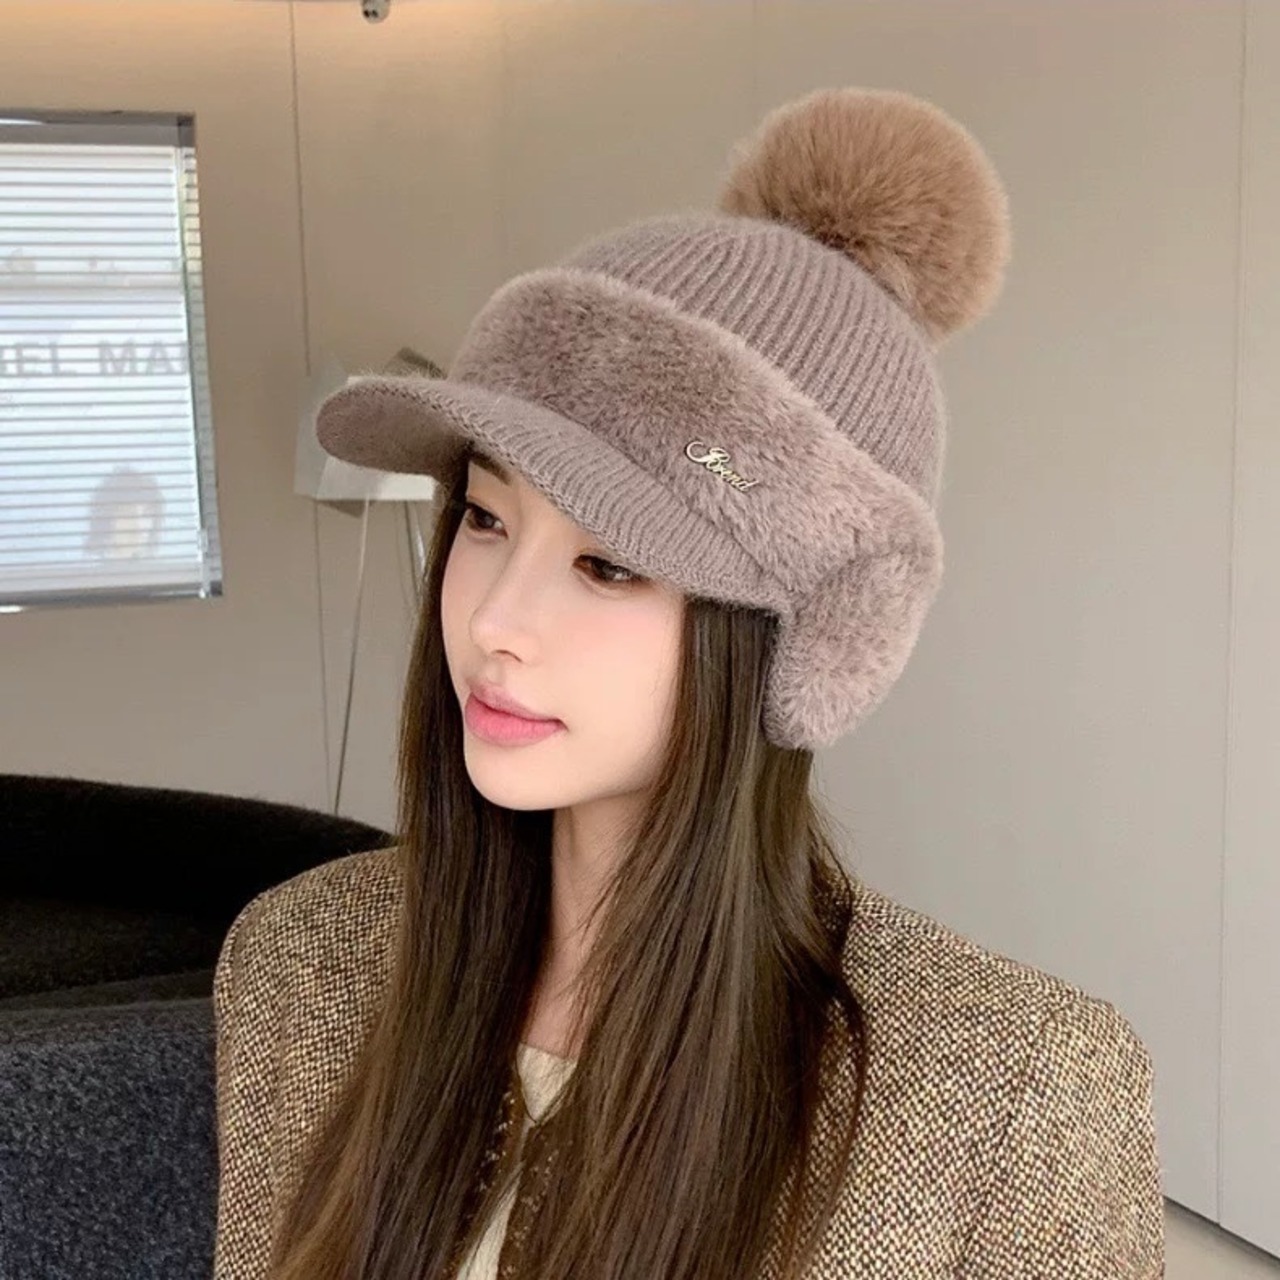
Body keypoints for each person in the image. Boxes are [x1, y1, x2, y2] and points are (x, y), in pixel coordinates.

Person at [212, 86, 1165, 1279]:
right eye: (487, 519)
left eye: (608, 563)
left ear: (797, 641)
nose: (494, 621)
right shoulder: (302, 961)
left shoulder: (1008, 1093)